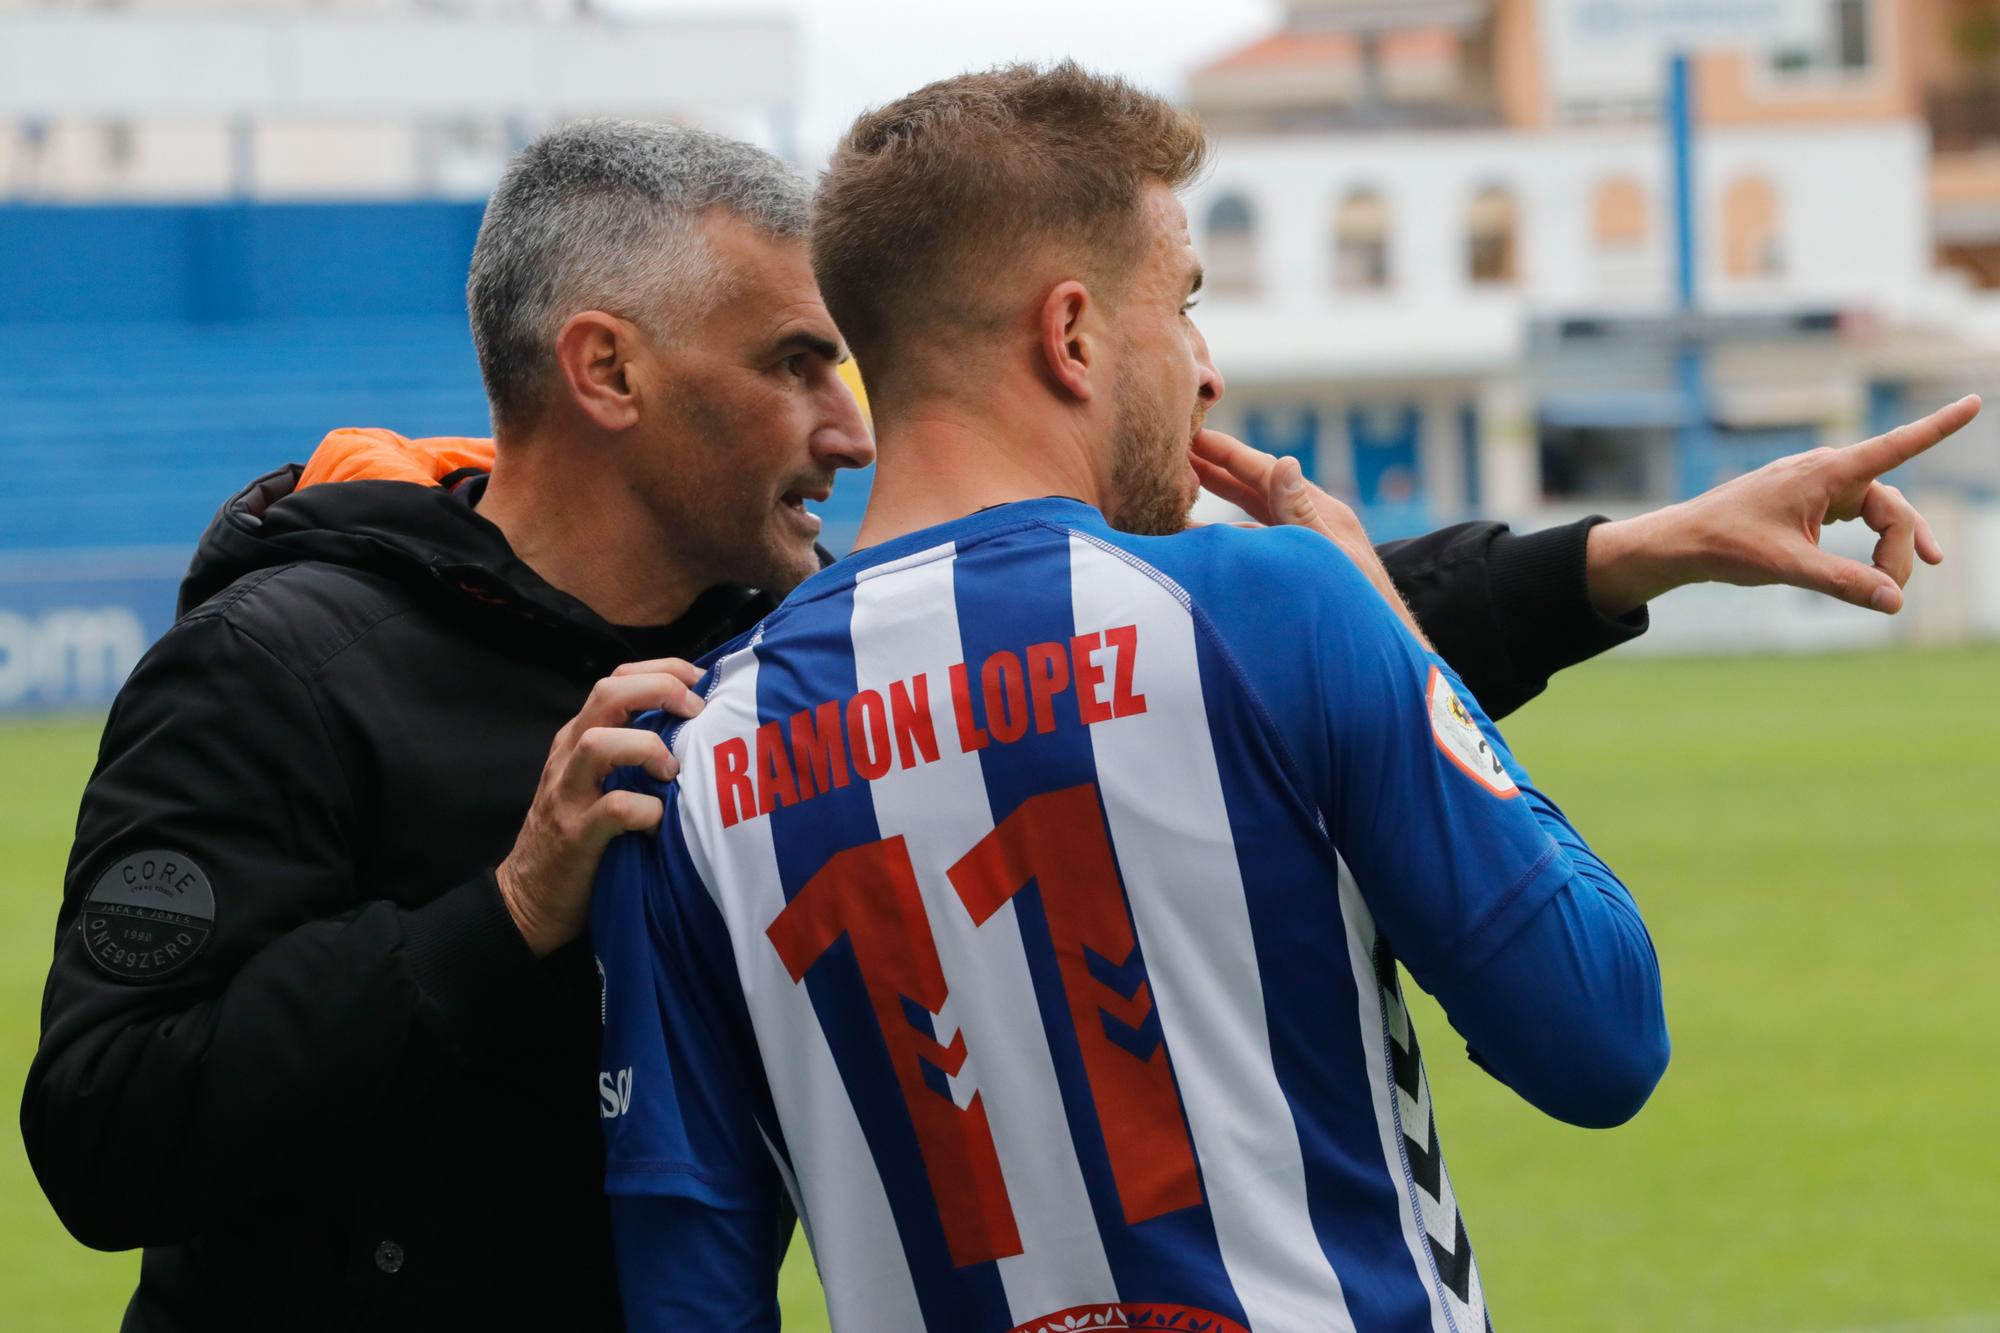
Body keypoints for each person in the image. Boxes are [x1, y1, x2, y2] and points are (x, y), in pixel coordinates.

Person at [19, 114, 1972, 1330]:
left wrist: (1624, 553)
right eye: (792, 366)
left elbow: (1183, 659)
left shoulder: (731, 696)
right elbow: (104, 1141)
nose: (848, 421)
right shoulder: (286, 664)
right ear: (602, 368)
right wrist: (505, 912)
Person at [590, 65, 1980, 1332]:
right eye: (1184, 299)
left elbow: (690, 1289)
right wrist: (1395, 631)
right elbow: (1601, 1034)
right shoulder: (1280, 603)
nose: (1205, 364)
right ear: (1072, 334)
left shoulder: (691, 761)